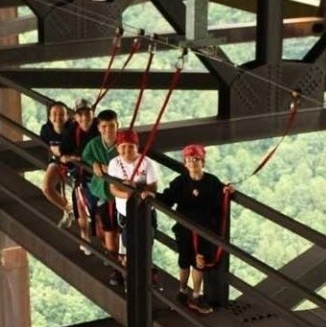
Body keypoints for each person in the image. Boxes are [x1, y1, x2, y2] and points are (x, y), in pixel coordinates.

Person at [142, 144, 233, 314]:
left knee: (200, 263)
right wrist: (154, 196)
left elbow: (220, 199)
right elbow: (168, 199)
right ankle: (183, 291)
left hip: (204, 231)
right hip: (184, 228)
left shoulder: (212, 182)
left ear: (202, 161)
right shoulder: (180, 182)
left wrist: (227, 191)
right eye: (189, 160)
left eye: (196, 159)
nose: (193, 163)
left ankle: (196, 296)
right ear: (185, 163)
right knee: (184, 261)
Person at [108, 130, 159, 267]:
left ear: (137, 147)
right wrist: (130, 195)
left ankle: (147, 272)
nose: (127, 150)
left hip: (145, 210)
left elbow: (153, 186)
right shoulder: (114, 163)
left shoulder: (146, 162)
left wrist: (136, 189)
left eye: (131, 146)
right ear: (118, 148)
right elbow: (113, 189)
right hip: (125, 211)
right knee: (127, 243)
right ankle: (128, 274)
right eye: (123, 146)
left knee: (146, 242)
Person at [81, 109, 121, 285]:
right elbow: (85, 157)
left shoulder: (123, 144)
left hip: (121, 196)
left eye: (111, 126)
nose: (108, 130)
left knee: (122, 234)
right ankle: (117, 268)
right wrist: (95, 164)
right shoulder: (95, 144)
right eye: (104, 126)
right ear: (98, 128)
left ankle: (122, 264)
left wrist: (109, 169)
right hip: (103, 193)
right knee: (109, 232)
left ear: (117, 126)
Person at [59, 98, 99, 255]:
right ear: (75, 117)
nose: (84, 118)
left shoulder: (99, 127)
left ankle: (103, 244)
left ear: (92, 114)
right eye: (80, 115)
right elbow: (63, 156)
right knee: (81, 209)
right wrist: (75, 159)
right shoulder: (72, 132)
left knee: (99, 212)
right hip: (81, 175)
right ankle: (85, 238)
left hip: (98, 175)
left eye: (87, 114)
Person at [40, 101, 74, 228]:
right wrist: (56, 150)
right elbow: (50, 146)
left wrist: (56, 150)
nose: (58, 117)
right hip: (57, 162)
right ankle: (68, 209)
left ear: (67, 116)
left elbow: (62, 149)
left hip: (73, 163)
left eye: (61, 114)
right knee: (46, 188)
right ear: (49, 117)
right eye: (54, 114)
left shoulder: (72, 129)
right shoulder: (46, 130)